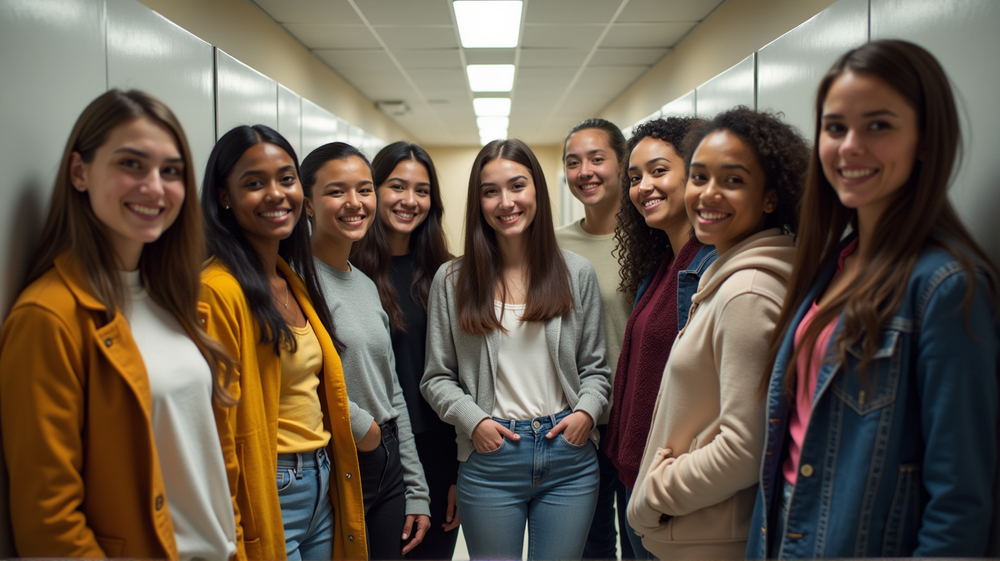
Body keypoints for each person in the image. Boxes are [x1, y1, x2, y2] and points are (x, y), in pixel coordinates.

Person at [747, 40, 1000, 559]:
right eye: (835, 127)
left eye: (878, 126)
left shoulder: (946, 287)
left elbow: (960, 501)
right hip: (781, 531)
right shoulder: (831, 264)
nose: (849, 147)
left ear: (926, 139)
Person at [0, 89, 237, 558]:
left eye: (171, 171)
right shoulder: (48, 317)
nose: (154, 186)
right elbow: (49, 521)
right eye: (132, 164)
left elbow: (211, 463)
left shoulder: (183, 302)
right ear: (79, 172)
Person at [627, 107, 808, 559]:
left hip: (707, 536)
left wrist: (653, 495)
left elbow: (745, 448)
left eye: (732, 180)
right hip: (697, 528)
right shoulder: (728, 275)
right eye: (700, 177)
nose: (707, 195)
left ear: (770, 197)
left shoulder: (746, 292)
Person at [421, 139, 612, 560]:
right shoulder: (452, 280)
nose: (506, 202)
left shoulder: (575, 273)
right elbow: (436, 377)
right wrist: (475, 422)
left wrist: (586, 413)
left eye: (517, 186)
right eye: (490, 191)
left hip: (569, 458)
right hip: (491, 458)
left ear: (537, 193)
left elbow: (597, 368)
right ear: (479, 201)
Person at [199, 125, 366, 561]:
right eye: (254, 183)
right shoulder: (217, 289)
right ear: (224, 196)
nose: (276, 194)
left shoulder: (289, 278)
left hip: (321, 481)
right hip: (269, 487)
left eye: (286, 178)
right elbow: (214, 427)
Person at [300, 142, 431, 559]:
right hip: (344, 454)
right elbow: (303, 378)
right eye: (336, 191)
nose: (354, 203)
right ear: (306, 203)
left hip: (388, 458)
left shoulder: (364, 283)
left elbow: (391, 390)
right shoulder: (296, 281)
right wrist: (364, 430)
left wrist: (416, 488)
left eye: (363, 189)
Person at [603, 117, 715, 559]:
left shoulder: (711, 267)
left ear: (696, 174)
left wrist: (668, 484)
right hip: (638, 483)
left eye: (658, 170)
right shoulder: (664, 265)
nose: (643, 186)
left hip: (674, 493)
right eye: (634, 177)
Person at [349, 141, 458, 560]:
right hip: (371, 451)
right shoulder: (349, 270)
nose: (410, 201)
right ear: (373, 191)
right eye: (397, 186)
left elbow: (463, 378)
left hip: (437, 449)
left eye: (422, 190)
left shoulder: (449, 275)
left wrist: (457, 474)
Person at [556, 119, 635, 560]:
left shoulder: (653, 240)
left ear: (622, 165)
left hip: (641, 418)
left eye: (597, 158)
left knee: (641, 538)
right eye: (573, 162)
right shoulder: (553, 247)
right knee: (591, 545)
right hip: (580, 422)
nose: (584, 171)